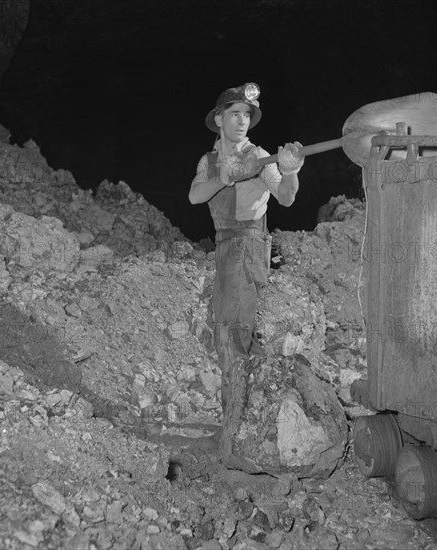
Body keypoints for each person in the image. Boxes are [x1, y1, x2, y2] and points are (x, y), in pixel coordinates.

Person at [189, 82, 305, 459]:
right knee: (229, 332)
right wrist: (226, 176)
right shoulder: (209, 161)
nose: (241, 120)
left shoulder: (260, 156)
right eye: (234, 113)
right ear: (219, 119)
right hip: (225, 246)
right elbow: (194, 196)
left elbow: (286, 197)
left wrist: (290, 170)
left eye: (247, 114)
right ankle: (240, 428)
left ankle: (234, 436)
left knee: (233, 333)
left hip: (248, 243)